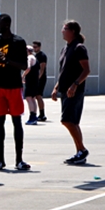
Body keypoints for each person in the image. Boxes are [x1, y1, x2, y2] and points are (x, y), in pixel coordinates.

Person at [0, 14, 30, 171]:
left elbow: (24, 65)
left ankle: (19, 159)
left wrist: (8, 61)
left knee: (17, 122)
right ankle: (0, 159)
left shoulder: (18, 42)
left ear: (6, 24)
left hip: (14, 86)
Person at [52, 20, 91, 164]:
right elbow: (64, 71)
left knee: (67, 120)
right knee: (72, 121)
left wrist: (75, 85)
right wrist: (56, 87)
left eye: (65, 28)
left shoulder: (79, 48)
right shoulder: (65, 49)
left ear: (72, 31)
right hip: (65, 90)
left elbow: (86, 70)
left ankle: (82, 149)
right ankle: (80, 152)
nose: (62, 30)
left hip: (74, 91)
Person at [23, 45, 40, 126]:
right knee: (32, 98)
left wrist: (22, 76)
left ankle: (32, 117)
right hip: (34, 81)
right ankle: (34, 116)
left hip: (31, 82)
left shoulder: (29, 58)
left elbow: (28, 68)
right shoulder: (35, 58)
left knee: (29, 98)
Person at [32, 41, 48, 122]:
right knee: (36, 96)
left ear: (39, 47)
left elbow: (42, 68)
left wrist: (38, 78)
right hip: (36, 78)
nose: (34, 48)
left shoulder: (42, 56)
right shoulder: (35, 55)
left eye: (36, 47)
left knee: (39, 96)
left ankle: (42, 114)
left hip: (40, 79)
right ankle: (40, 113)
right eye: (33, 47)